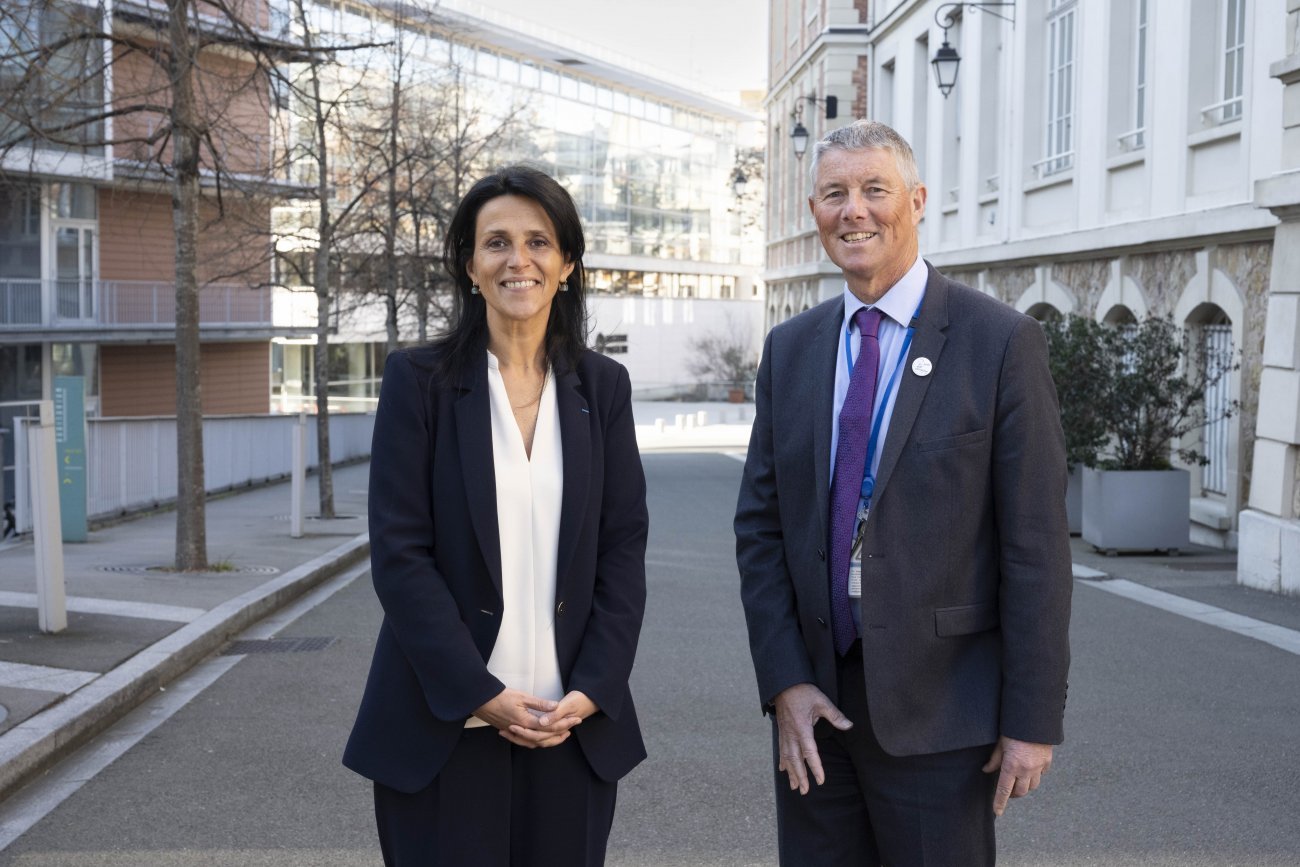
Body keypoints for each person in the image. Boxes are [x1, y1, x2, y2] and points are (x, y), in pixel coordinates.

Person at [734, 120, 1072, 865]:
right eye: (834, 193)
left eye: (874, 190)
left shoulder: (999, 342)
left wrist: (1032, 718)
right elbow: (759, 530)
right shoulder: (791, 349)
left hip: (942, 715)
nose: (854, 210)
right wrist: (785, 679)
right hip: (814, 709)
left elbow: (1036, 547)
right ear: (816, 212)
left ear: (915, 201)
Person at [343, 165, 649, 866]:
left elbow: (622, 548)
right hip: (443, 728)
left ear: (566, 263)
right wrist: (479, 693)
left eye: (540, 242)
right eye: (497, 243)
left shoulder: (603, 388)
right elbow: (400, 552)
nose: (519, 260)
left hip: (570, 726)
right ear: (468, 263)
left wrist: (594, 687)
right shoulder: (417, 382)